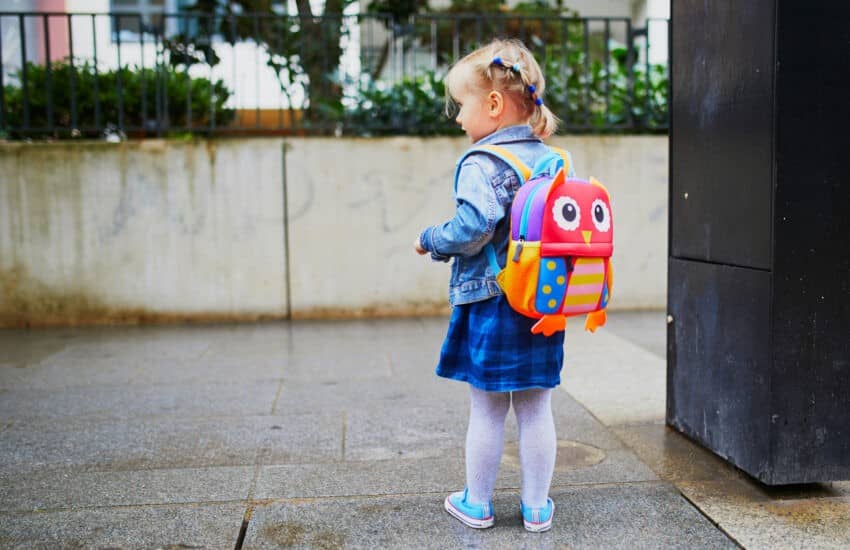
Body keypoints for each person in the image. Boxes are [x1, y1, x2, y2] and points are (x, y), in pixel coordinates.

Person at [414, 38, 573, 533]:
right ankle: (536, 508)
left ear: (494, 105)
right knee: (535, 406)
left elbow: (475, 225)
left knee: (486, 408)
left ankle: (478, 503)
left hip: (492, 301)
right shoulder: (551, 161)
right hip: (543, 302)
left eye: (461, 105)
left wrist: (431, 239)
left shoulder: (481, 164)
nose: (458, 118)